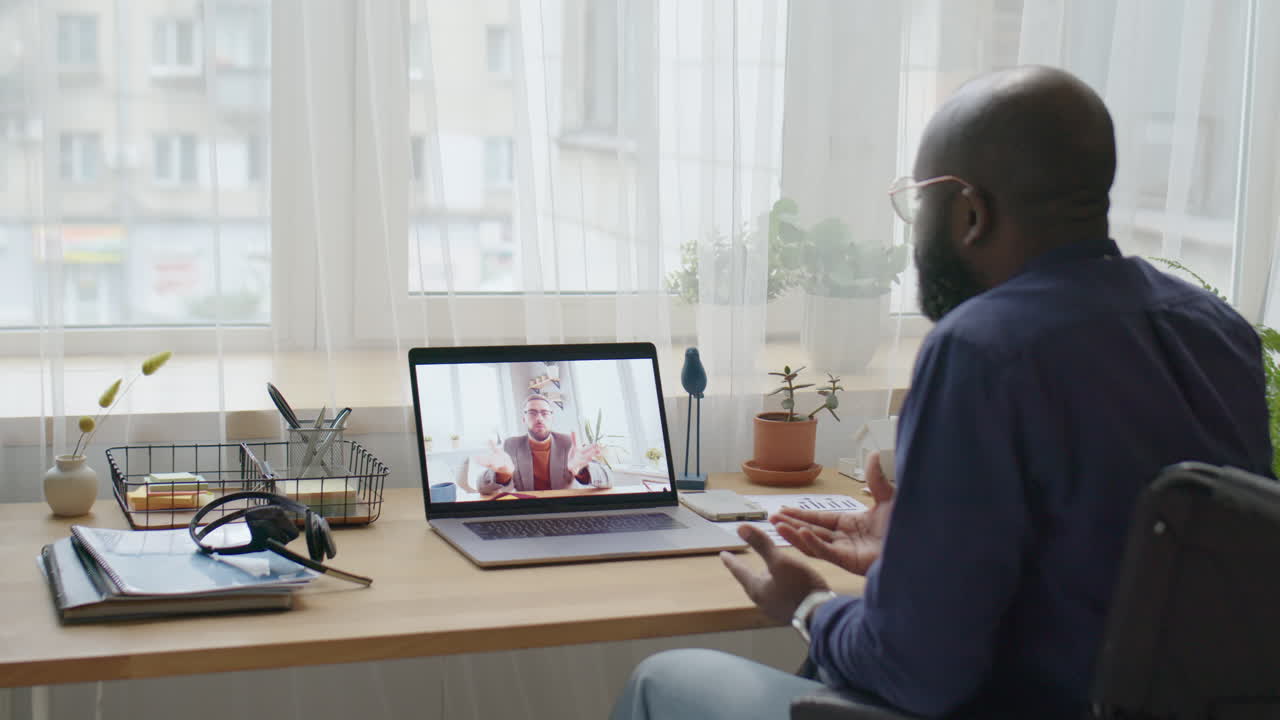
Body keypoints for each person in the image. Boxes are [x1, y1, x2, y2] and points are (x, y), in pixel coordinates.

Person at [611, 65, 1272, 719]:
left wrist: (808, 604)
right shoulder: (1218, 333)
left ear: (970, 211)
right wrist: (915, 555)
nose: (915, 228)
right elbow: (1112, 578)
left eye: (918, 203)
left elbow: (918, 674)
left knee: (666, 678)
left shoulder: (983, 348)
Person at [474, 394, 611, 494]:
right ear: (524, 419)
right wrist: (502, 475)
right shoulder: (511, 445)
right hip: (527, 512)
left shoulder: (569, 443)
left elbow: (608, 479)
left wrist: (582, 470)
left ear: (552, 418)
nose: (539, 418)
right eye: (532, 413)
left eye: (544, 413)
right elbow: (481, 487)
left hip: (564, 510)